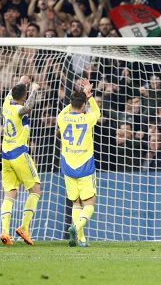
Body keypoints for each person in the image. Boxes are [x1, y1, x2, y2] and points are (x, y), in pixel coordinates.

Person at [0, 76, 41, 246]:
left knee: (10, 193)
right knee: (35, 189)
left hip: (5, 156)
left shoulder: (6, 103)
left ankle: (4, 231)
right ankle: (24, 227)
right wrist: (34, 90)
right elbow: (28, 107)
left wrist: (22, 82)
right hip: (19, 154)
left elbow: (14, 92)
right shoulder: (18, 109)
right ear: (23, 96)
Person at [58, 80, 101, 248]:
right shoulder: (88, 118)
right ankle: (76, 228)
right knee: (89, 203)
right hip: (85, 166)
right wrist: (89, 96)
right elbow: (97, 112)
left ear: (71, 103)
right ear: (83, 106)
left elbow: (67, 109)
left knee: (76, 203)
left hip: (68, 166)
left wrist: (76, 100)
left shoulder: (62, 118)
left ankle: (80, 239)